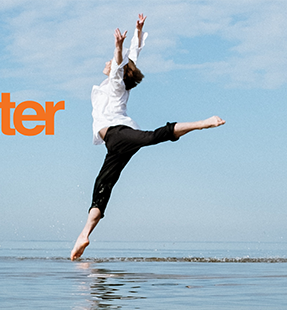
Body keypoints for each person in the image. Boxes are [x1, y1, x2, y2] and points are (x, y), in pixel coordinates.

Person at [70, 14, 225, 261]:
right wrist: (138, 32)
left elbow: (121, 64)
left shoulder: (116, 85)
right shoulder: (113, 85)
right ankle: (83, 235)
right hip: (116, 144)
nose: (108, 62)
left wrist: (118, 46)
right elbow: (132, 60)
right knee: (103, 185)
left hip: (118, 134)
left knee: (154, 136)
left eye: (110, 62)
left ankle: (201, 123)